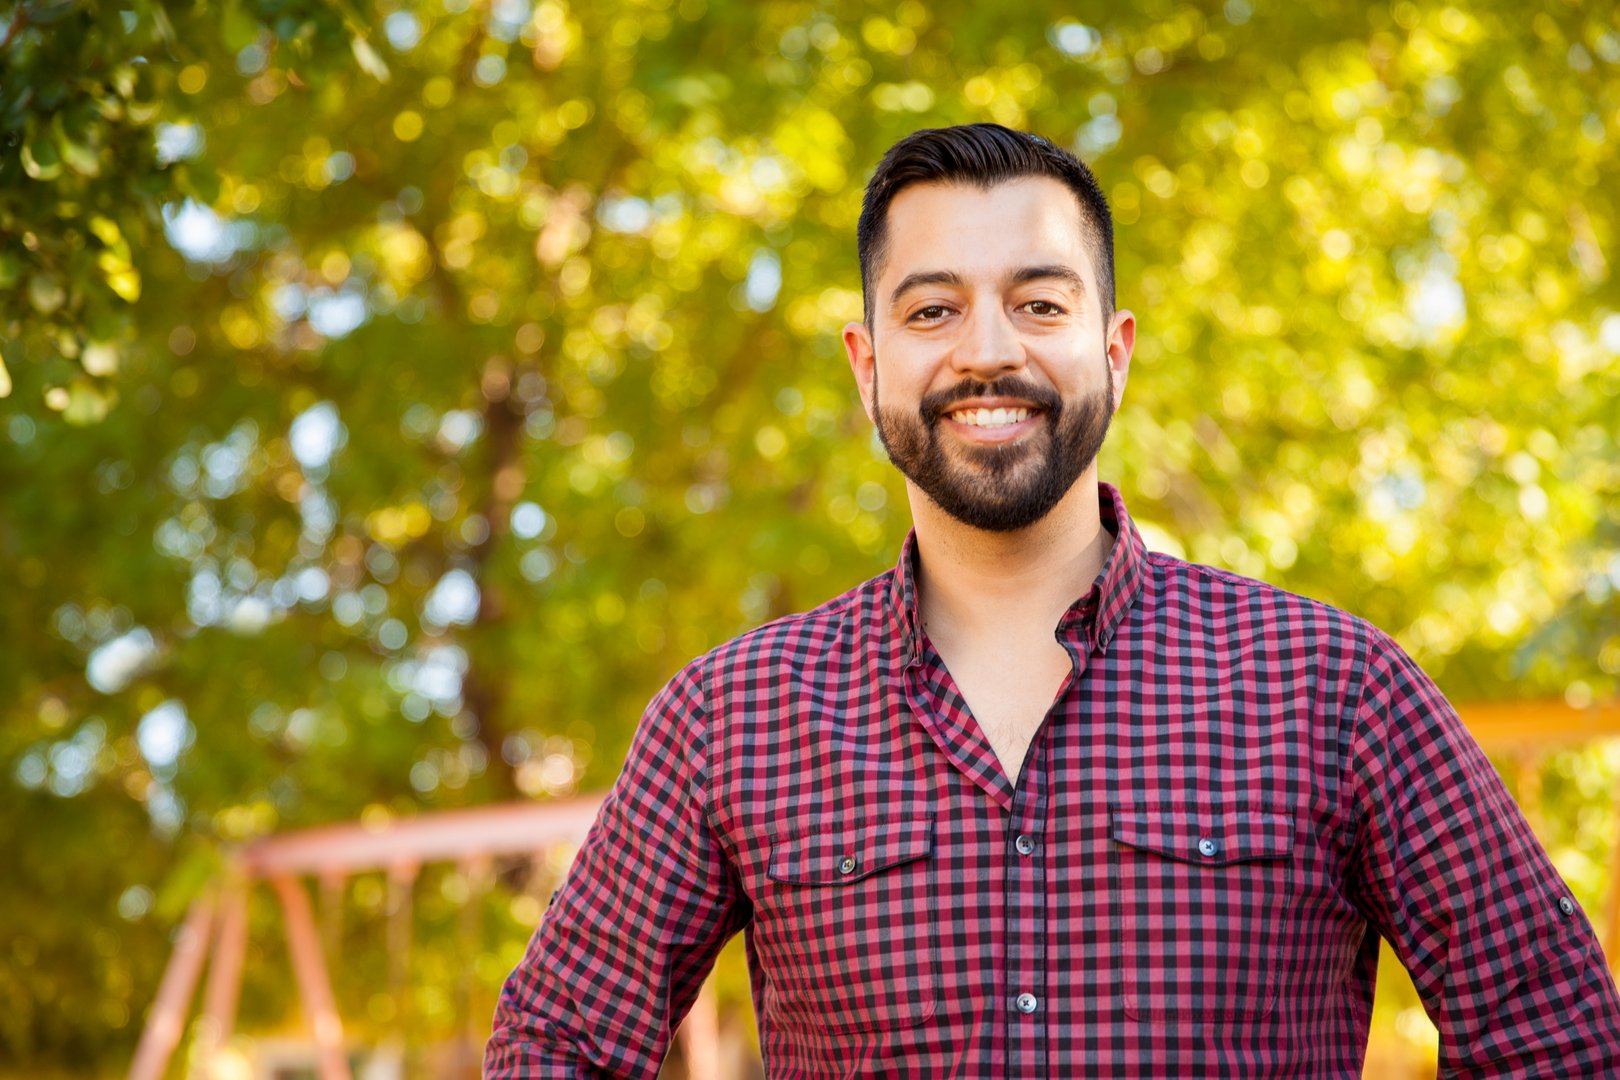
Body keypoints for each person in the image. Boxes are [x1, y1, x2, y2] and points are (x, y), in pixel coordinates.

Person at [486, 123, 1620, 1076]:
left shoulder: (1337, 686)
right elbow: (557, 1044)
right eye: (931, 311)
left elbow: (1555, 1032)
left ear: (1114, 351)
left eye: (1038, 303)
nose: (988, 353)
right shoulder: (728, 717)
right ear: (866, 364)